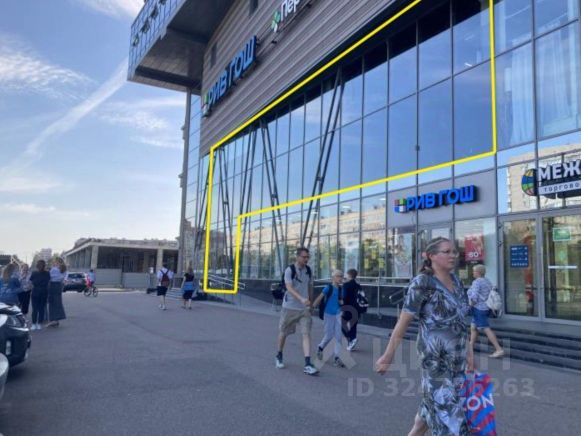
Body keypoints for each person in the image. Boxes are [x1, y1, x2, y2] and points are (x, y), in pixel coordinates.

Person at [375, 237, 474, 436]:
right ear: (431, 256)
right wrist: (388, 355)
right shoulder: (422, 283)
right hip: (435, 360)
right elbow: (403, 321)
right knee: (451, 419)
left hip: (457, 358)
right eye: (447, 252)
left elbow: (463, 321)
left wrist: (470, 352)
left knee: (430, 410)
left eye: (454, 252)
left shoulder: (456, 281)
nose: (453, 256)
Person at [275, 247, 319, 375]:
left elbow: (310, 286)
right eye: (304, 257)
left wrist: (311, 302)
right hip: (290, 307)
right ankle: (279, 355)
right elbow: (289, 288)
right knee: (283, 332)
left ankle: (307, 364)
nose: (306, 259)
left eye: (307, 257)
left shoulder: (308, 270)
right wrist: (301, 298)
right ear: (297, 257)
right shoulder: (290, 270)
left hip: (304, 309)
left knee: (306, 334)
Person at [468, 264, 504, 358]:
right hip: (485, 307)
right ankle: (470, 347)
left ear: (478, 272)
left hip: (478, 308)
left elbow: (474, 297)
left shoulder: (477, 282)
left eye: (474, 271)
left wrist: (469, 306)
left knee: (486, 328)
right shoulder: (487, 281)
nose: (473, 273)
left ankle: (499, 349)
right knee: (473, 327)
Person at [313, 269, 346, 368]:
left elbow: (340, 301)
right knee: (329, 335)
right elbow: (320, 297)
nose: (340, 278)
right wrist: (312, 307)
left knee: (338, 337)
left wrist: (342, 304)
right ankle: (320, 347)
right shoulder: (328, 288)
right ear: (333, 278)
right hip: (328, 314)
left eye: (341, 276)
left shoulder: (341, 289)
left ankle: (336, 358)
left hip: (338, 314)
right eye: (338, 276)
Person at [341, 268, 361, 351]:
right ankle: (352, 341)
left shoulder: (346, 285)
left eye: (346, 274)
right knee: (353, 325)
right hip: (357, 308)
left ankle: (351, 338)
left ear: (349, 275)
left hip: (348, 308)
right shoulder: (358, 285)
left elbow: (344, 297)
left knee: (341, 324)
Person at [29, 260, 50, 330]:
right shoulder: (46, 273)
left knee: (37, 309)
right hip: (41, 292)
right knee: (40, 309)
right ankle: (37, 324)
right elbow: (47, 283)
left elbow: (31, 282)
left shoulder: (37, 273)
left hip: (37, 292)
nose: (40, 266)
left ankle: (35, 324)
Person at [47, 258, 67, 327]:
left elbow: (49, 277)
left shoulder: (54, 269)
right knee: (58, 302)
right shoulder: (64, 269)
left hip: (53, 285)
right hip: (59, 285)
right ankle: (56, 320)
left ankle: (54, 320)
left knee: (52, 303)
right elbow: (63, 279)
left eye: (54, 261)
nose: (53, 263)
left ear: (57, 262)